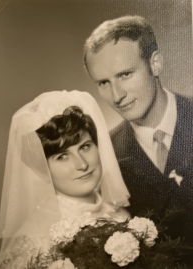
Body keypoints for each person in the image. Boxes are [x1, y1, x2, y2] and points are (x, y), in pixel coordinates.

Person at [83, 15, 193, 241]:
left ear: (155, 64)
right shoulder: (105, 156)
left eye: (125, 74)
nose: (117, 96)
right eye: (104, 82)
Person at [0, 90, 130, 269]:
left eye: (85, 147)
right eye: (62, 156)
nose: (82, 164)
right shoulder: (34, 240)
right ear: (43, 169)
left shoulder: (120, 216)